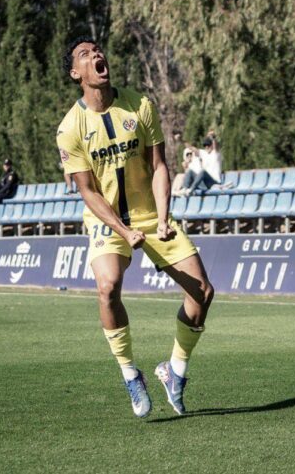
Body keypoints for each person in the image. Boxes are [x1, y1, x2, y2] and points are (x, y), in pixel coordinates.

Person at [57, 36, 214, 418]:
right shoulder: (69, 128)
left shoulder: (140, 105)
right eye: (84, 55)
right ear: (76, 73)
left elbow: (159, 166)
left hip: (149, 212)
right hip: (105, 218)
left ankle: (174, 371)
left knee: (203, 293)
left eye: (97, 50)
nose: (96, 55)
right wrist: (123, 231)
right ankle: (130, 373)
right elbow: (88, 192)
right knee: (108, 286)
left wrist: (162, 216)